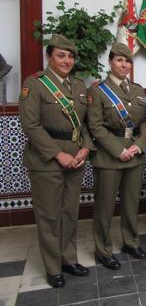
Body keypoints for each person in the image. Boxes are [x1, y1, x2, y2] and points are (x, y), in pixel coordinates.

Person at [19, 34, 94, 288]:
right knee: (50, 215)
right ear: (49, 56)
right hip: (47, 159)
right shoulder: (35, 84)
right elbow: (30, 125)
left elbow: (85, 124)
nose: (67, 60)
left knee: (69, 212)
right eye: (61, 55)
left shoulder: (80, 86)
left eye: (70, 56)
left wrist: (85, 147)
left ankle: (68, 259)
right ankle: (53, 267)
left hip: (76, 158)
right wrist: (57, 154)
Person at [87, 43, 146, 269]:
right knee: (104, 207)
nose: (124, 64)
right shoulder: (97, 91)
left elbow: (144, 122)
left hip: (134, 155)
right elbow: (95, 127)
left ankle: (131, 242)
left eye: (127, 61)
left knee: (131, 204)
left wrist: (139, 146)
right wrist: (119, 150)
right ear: (110, 62)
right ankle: (103, 250)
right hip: (109, 157)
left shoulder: (138, 89)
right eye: (119, 60)